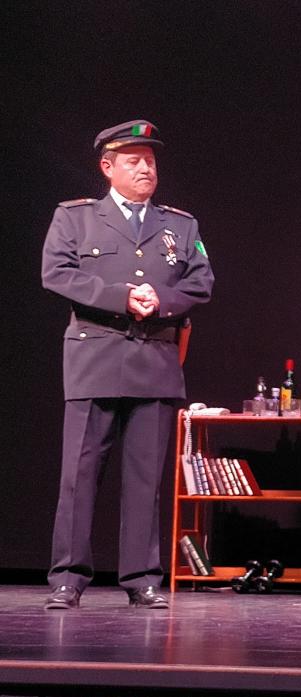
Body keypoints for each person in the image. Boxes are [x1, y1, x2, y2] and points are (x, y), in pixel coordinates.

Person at [40, 120, 214, 609]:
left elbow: (200, 282)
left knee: (144, 480)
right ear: (107, 166)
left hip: (155, 360)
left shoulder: (181, 225)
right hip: (95, 358)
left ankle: (142, 579)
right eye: (134, 161)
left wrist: (161, 299)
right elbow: (56, 273)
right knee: (79, 477)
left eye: (150, 161)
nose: (145, 169)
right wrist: (121, 297)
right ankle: (68, 578)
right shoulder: (75, 217)